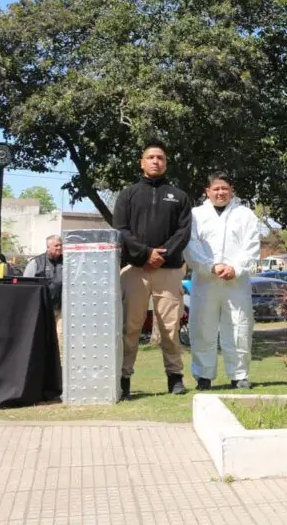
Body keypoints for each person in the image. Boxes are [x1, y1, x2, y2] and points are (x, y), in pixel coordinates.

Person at [113, 138, 193, 398]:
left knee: (170, 327)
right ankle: (124, 378)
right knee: (130, 326)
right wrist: (145, 253)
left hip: (168, 271)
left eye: (160, 158)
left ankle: (175, 377)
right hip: (135, 270)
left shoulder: (179, 196)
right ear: (142, 162)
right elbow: (121, 230)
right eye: (151, 158)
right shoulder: (128, 194)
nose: (156, 161)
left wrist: (163, 254)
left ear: (166, 163)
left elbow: (184, 232)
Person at [184, 171, 261, 391]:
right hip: (205, 281)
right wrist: (211, 266)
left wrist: (235, 268)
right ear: (207, 192)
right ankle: (203, 376)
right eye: (216, 189)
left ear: (231, 190)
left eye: (224, 188)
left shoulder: (245, 215)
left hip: (236, 283)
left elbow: (252, 247)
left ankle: (239, 375)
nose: (220, 192)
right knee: (202, 328)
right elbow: (190, 245)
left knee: (239, 327)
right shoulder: (195, 215)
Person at [25, 234, 64, 356]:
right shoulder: (36, 262)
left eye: (61, 245)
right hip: (42, 309)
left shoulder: (67, 261)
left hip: (61, 309)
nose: (59, 248)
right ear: (48, 247)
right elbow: (26, 285)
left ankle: (59, 365)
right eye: (56, 245)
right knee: (43, 337)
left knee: (60, 337)